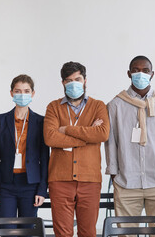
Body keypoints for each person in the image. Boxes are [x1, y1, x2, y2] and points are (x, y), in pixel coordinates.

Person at [105, 55, 155, 237]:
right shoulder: (115, 105)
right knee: (126, 234)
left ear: (152, 74)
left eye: (145, 71)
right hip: (127, 182)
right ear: (129, 73)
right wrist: (115, 174)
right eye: (136, 70)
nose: (140, 74)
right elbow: (111, 142)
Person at [43, 61, 110, 237]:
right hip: (59, 179)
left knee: (88, 233)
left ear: (85, 81)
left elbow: (102, 134)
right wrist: (87, 137)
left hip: (90, 179)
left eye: (78, 79)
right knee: (63, 233)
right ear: (63, 83)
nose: (74, 83)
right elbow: (50, 138)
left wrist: (66, 130)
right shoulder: (53, 107)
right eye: (69, 80)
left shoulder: (98, 106)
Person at [0, 74, 49, 228]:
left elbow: (45, 159)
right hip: (6, 185)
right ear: (11, 93)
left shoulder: (41, 122)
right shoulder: (0, 120)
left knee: (27, 231)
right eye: (18, 91)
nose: (22, 95)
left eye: (26, 91)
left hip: (30, 185)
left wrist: (42, 190)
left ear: (33, 94)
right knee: (7, 230)